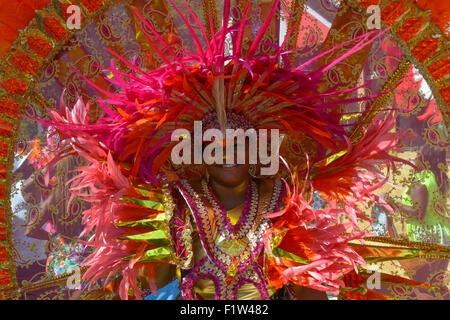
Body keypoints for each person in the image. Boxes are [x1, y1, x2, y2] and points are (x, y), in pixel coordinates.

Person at [36, 1, 447, 300]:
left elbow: (305, 284)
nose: (228, 153)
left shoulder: (280, 203)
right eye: (215, 145)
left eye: (239, 144)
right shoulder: (175, 203)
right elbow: (158, 285)